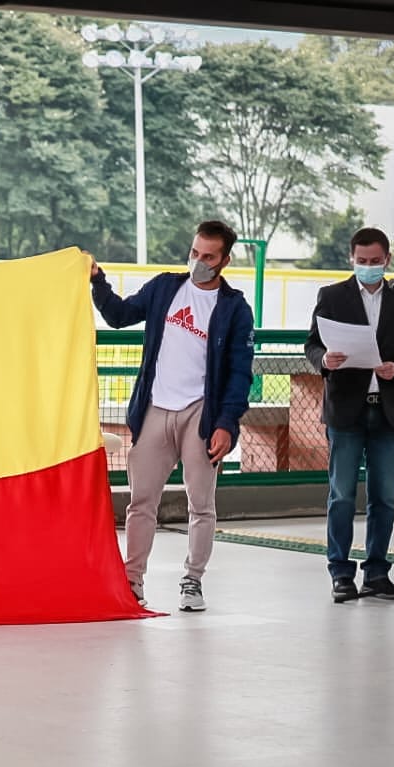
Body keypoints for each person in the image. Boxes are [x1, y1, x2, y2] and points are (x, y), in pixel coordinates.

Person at [87, 220, 255, 611]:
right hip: (154, 409)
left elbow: (239, 372)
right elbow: (119, 315)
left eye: (208, 256)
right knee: (141, 501)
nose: (198, 260)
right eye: (195, 252)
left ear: (225, 260)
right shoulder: (165, 287)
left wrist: (226, 424)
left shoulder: (235, 309)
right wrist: (99, 281)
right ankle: (132, 581)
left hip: (201, 413)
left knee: (201, 504)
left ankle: (193, 580)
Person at [305, 227, 394, 603]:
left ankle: (376, 571)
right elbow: (312, 344)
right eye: (362, 261)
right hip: (345, 409)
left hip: (387, 410)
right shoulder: (332, 296)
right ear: (352, 259)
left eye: (375, 262)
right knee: (341, 494)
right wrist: (324, 360)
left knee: (385, 497)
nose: (369, 267)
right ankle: (340, 572)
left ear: (387, 260)